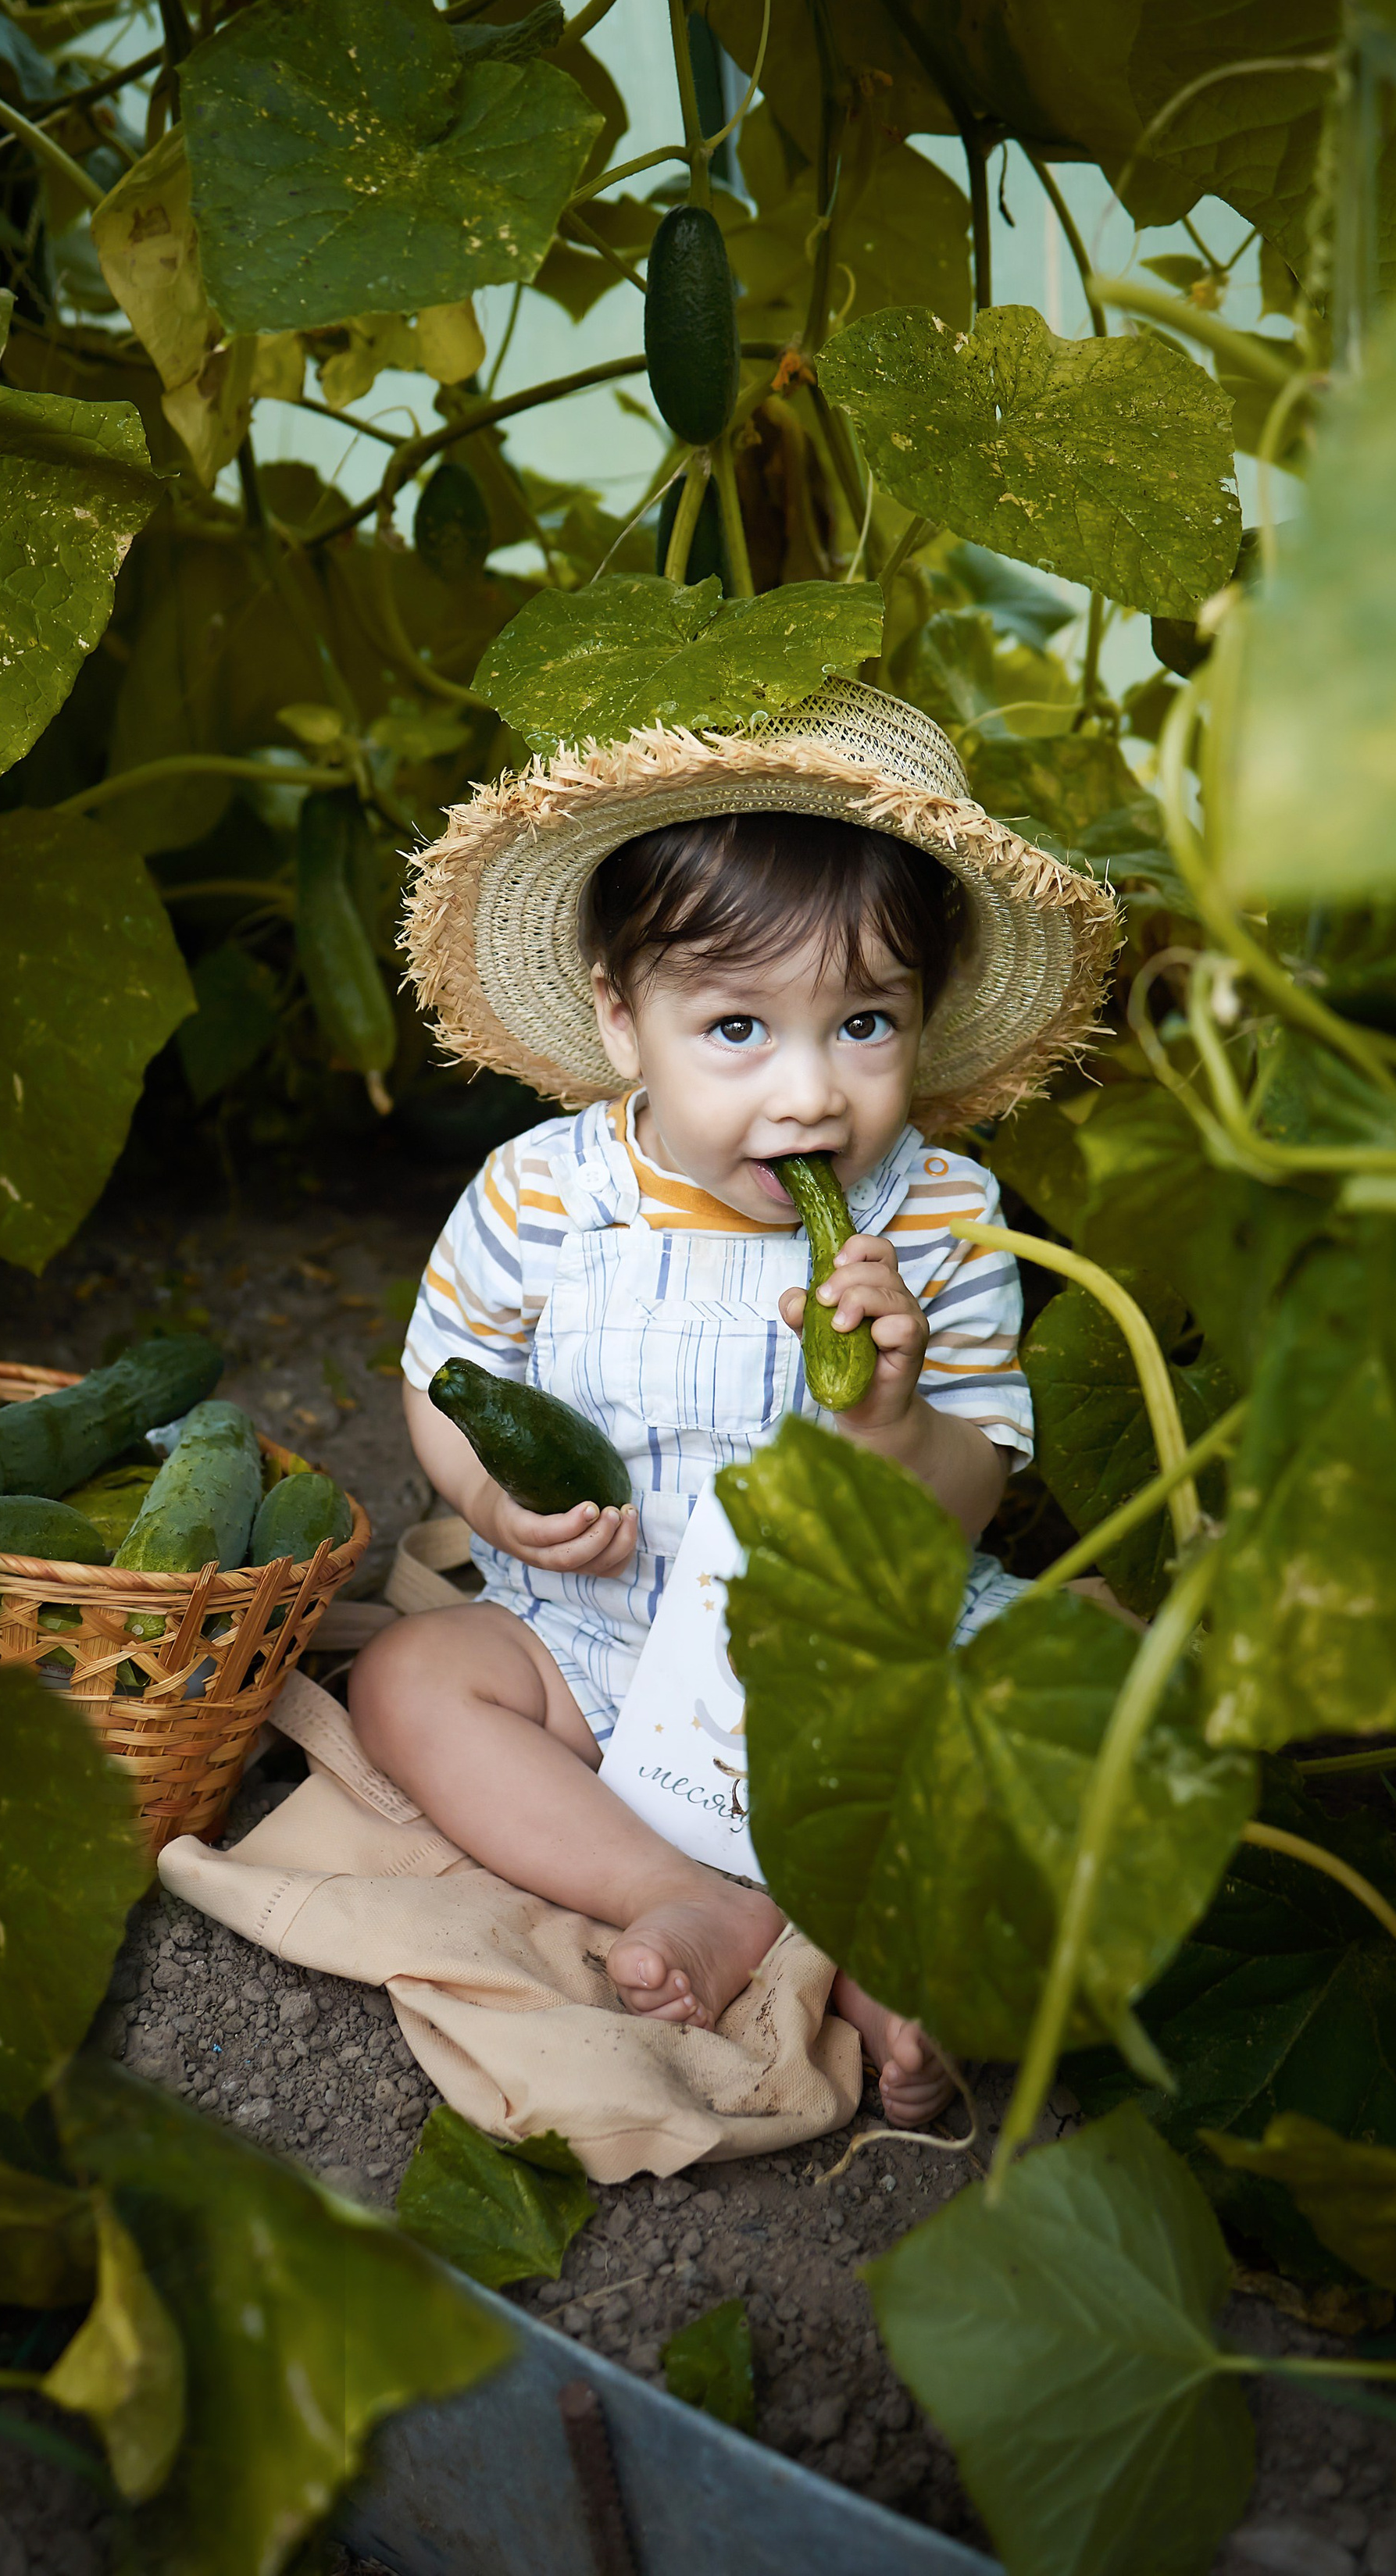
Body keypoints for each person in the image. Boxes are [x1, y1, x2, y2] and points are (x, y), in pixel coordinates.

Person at [352, 679, 1112, 2128]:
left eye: (867, 1024)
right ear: (623, 1020)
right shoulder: (541, 1194)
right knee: (413, 1679)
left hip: (855, 1654)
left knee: (1077, 1680)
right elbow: (441, 1375)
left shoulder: (949, 1219)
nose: (812, 1095)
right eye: (739, 1030)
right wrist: (487, 1498)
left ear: (927, 1021)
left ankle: (889, 1956)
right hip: (599, 1640)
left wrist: (896, 1423)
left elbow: (972, 1489)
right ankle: (682, 1892)